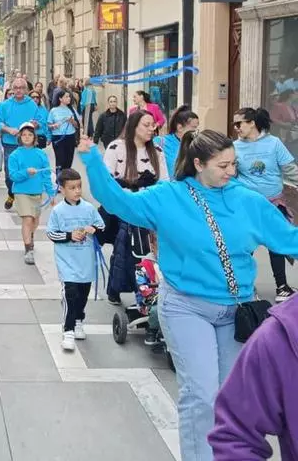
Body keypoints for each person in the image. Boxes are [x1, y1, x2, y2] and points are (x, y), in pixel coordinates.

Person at [78, 129, 298, 461]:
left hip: (236, 311)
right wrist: (92, 161)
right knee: (201, 396)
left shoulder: (249, 201)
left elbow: (289, 239)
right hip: (186, 308)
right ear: (198, 164)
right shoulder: (168, 196)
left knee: (231, 401)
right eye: (223, 165)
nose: (231, 171)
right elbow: (119, 202)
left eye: (234, 164)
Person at [209, 297, 298, 459]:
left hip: (234, 304)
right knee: (202, 397)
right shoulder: (277, 339)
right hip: (192, 304)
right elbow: (236, 435)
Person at [103, 110, 168, 306]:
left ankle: (146, 293)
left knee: (148, 252)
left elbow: (165, 182)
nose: (151, 129)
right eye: (146, 125)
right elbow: (106, 180)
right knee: (125, 250)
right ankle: (117, 287)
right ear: (134, 126)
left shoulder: (157, 152)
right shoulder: (116, 147)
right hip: (124, 208)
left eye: (153, 125)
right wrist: (130, 184)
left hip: (149, 209)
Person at [233, 107, 298, 302]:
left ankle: (282, 287)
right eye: (234, 124)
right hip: (247, 206)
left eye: (239, 123)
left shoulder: (274, 143)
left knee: (276, 245)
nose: (236, 127)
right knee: (246, 247)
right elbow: (230, 175)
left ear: (252, 123)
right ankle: (244, 286)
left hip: (273, 204)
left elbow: (290, 169)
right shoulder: (234, 147)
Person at [46, 168, 105, 351]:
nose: (77, 191)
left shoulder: (89, 208)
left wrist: (94, 229)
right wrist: (69, 235)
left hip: (86, 262)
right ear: (62, 189)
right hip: (67, 263)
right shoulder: (58, 211)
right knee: (70, 294)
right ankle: (68, 330)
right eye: (72, 188)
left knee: (83, 294)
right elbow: (51, 233)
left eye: (79, 186)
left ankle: (79, 319)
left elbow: (101, 226)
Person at [9, 123, 58, 265]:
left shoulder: (41, 154)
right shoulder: (14, 155)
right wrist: (26, 172)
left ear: (34, 137)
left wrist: (51, 193)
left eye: (30, 134)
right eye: (24, 135)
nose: (27, 137)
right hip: (21, 192)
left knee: (35, 221)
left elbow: (46, 175)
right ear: (19, 137)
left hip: (37, 192)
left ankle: (30, 236)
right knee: (27, 219)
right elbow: (13, 175)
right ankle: (28, 249)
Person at [0, 77, 40, 210]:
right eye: (16, 88)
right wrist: (8, 129)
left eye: (21, 88)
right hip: (10, 143)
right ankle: (11, 193)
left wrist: (35, 124)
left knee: (27, 171)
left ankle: (23, 198)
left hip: (28, 144)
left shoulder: (32, 104)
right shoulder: (4, 105)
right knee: (10, 174)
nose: (18, 90)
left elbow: (40, 121)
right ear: (12, 89)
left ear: (26, 89)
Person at [156, 105, 200, 178]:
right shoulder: (160, 142)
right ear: (180, 128)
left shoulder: (195, 145)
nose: (196, 131)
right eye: (193, 128)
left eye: (197, 128)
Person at [48, 91, 80, 172]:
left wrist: (72, 121)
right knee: (60, 160)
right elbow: (48, 125)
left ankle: (66, 177)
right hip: (58, 138)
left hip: (70, 137)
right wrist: (54, 126)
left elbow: (77, 125)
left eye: (69, 96)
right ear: (60, 99)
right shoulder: (53, 110)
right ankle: (59, 177)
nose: (69, 98)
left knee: (69, 160)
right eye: (66, 96)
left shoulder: (72, 109)